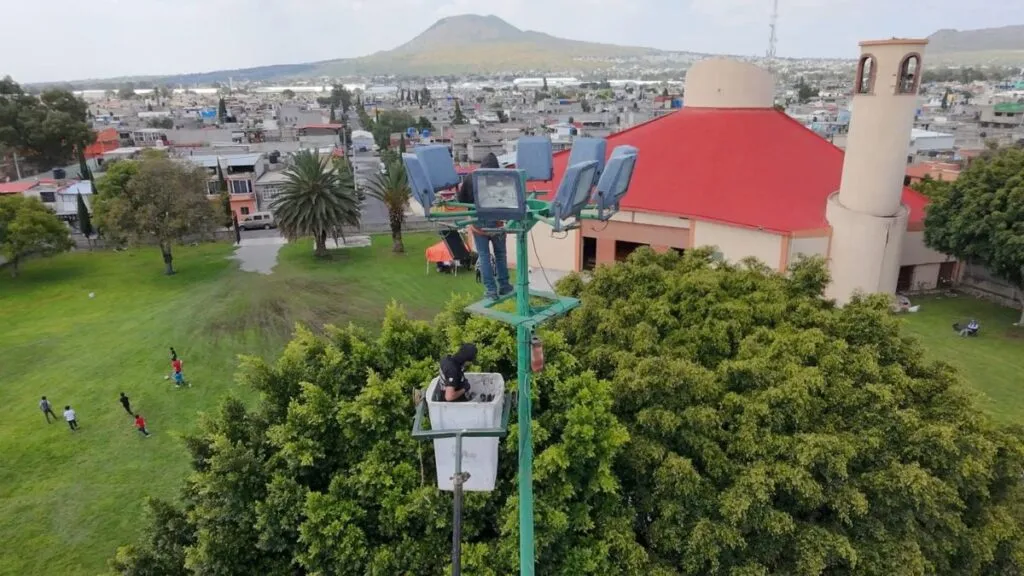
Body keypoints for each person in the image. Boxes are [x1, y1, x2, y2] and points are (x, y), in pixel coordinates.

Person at [458, 153, 513, 300]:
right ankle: (504, 286)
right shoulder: (502, 178)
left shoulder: (471, 178)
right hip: (497, 222)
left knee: (484, 257)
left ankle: (491, 291)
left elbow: (461, 200)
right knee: (500, 255)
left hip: (479, 224)